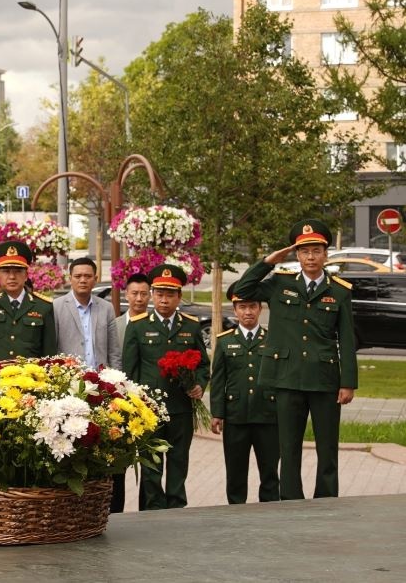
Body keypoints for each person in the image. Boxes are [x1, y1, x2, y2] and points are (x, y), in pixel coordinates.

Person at [232, 218, 357, 500]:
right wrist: (267, 262)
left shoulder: (339, 290)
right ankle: (291, 502)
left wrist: (348, 382)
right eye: (304, 251)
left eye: (316, 251)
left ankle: (326, 501)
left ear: (326, 254)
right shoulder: (280, 283)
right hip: (287, 378)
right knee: (288, 448)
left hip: (325, 381)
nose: (310, 257)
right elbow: (242, 291)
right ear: (297, 255)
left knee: (328, 448)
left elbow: (347, 340)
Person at [122, 264, 210, 510]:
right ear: (152, 294)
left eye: (170, 294)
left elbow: (203, 364)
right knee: (151, 463)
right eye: (159, 293)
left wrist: (200, 386)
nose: (164, 299)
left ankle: (176, 506)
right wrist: (135, 404)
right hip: (150, 409)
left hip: (181, 407)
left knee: (179, 460)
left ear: (179, 297)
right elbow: (130, 370)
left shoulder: (191, 326)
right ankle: (153, 508)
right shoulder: (138, 326)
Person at [210, 284, 280, 504]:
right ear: (235, 310)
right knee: (236, 471)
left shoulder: (273, 339)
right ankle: (236, 512)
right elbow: (218, 379)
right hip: (236, 416)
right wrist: (217, 413)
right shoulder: (225, 341)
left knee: (269, 471)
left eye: (252, 306)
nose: (247, 312)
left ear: (260, 309)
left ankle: (269, 511)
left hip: (267, 415)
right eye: (242, 307)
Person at [108, 272, 150, 513]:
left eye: (144, 294)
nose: (139, 298)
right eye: (134, 293)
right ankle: (116, 509)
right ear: (126, 295)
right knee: (119, 461)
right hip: (119, 403)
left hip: (144, 404)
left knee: (146, 459)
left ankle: (147, 507)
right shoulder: (116, 326)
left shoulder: (154, 324)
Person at [53, 257, 120, 369]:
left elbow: (114, 351)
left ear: (95, 279)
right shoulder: (56, 306)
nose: (83, 280)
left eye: (88, 276)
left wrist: (118, 380)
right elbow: (51, 348)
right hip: (68, 379)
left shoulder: (106, 308)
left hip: (101, 379)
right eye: (78, 276)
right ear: (70, 279)